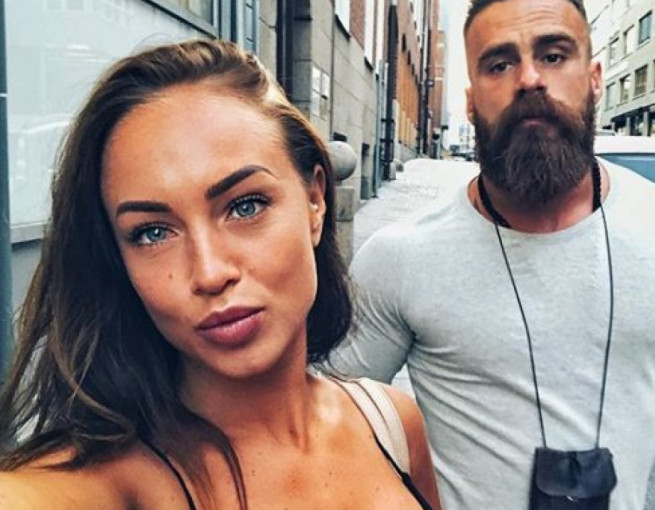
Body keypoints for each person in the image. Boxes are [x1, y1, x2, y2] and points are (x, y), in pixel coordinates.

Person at [327, 1, 655, 509]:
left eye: (553, 56)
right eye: (499, 64)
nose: (530, 79)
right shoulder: (401, 257)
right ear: (470, 101)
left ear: (595, 79)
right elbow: (327, 424)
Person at [0, 39, 442, 510]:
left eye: (245, 206)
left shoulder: (391, 425)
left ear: (315, 201)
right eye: (152, 233)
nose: (209, 272)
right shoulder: (113, 481)